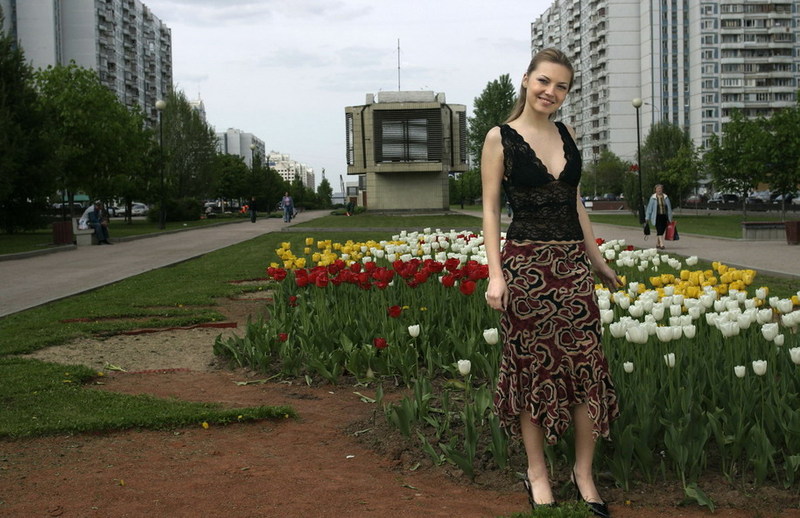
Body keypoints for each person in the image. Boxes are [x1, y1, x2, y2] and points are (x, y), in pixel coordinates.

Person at [481, 48, 619, 517]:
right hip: (525, 270)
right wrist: (496, 274)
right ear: (526, 80)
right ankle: (537, 473)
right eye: (544, 81)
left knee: (586, 368)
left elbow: (574, 203)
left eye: (561, 86)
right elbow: (491, 210)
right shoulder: (500, 137)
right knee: (531, 370)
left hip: (573, 271)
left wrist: (597, 259)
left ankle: (584, 474)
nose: (550, 92)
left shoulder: (567, 133)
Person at [645, 184, 673, 250]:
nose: (659, 190)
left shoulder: (665, 197)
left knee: (662, 229)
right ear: (655, 190)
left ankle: (658, 243)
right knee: (659, 229)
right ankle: (661, 244)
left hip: (664, 215)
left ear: (662, 189)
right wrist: (647, 217)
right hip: (656, 216)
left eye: (660, 188)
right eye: (658, 189)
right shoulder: (653, 198)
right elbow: (649, 208)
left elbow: (669, 207)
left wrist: (670, 217)